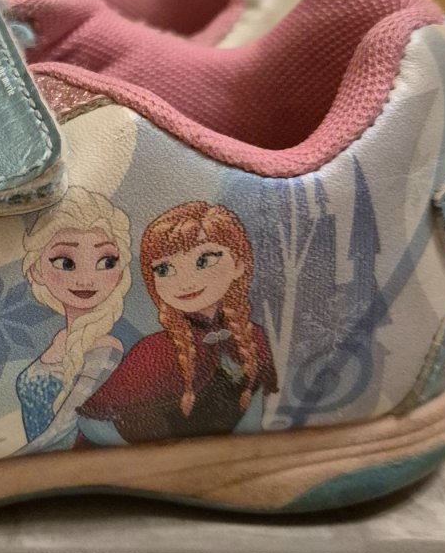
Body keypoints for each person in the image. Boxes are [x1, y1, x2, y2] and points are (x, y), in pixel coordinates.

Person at [79, 200, 277, 444]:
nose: (185, 282)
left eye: (204, 261)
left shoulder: (255, 338)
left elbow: (256, 415)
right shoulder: (154, 350)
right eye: (164, 269)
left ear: (238, 264)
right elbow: (93, 422)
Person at [15, 187, 132, 452]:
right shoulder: (60, 340)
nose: (86, 279)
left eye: (106, 262)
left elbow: (65, 428)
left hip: (75, 465)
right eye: (66, 263)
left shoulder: (106, 348)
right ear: (37, 269)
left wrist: (11, 464)